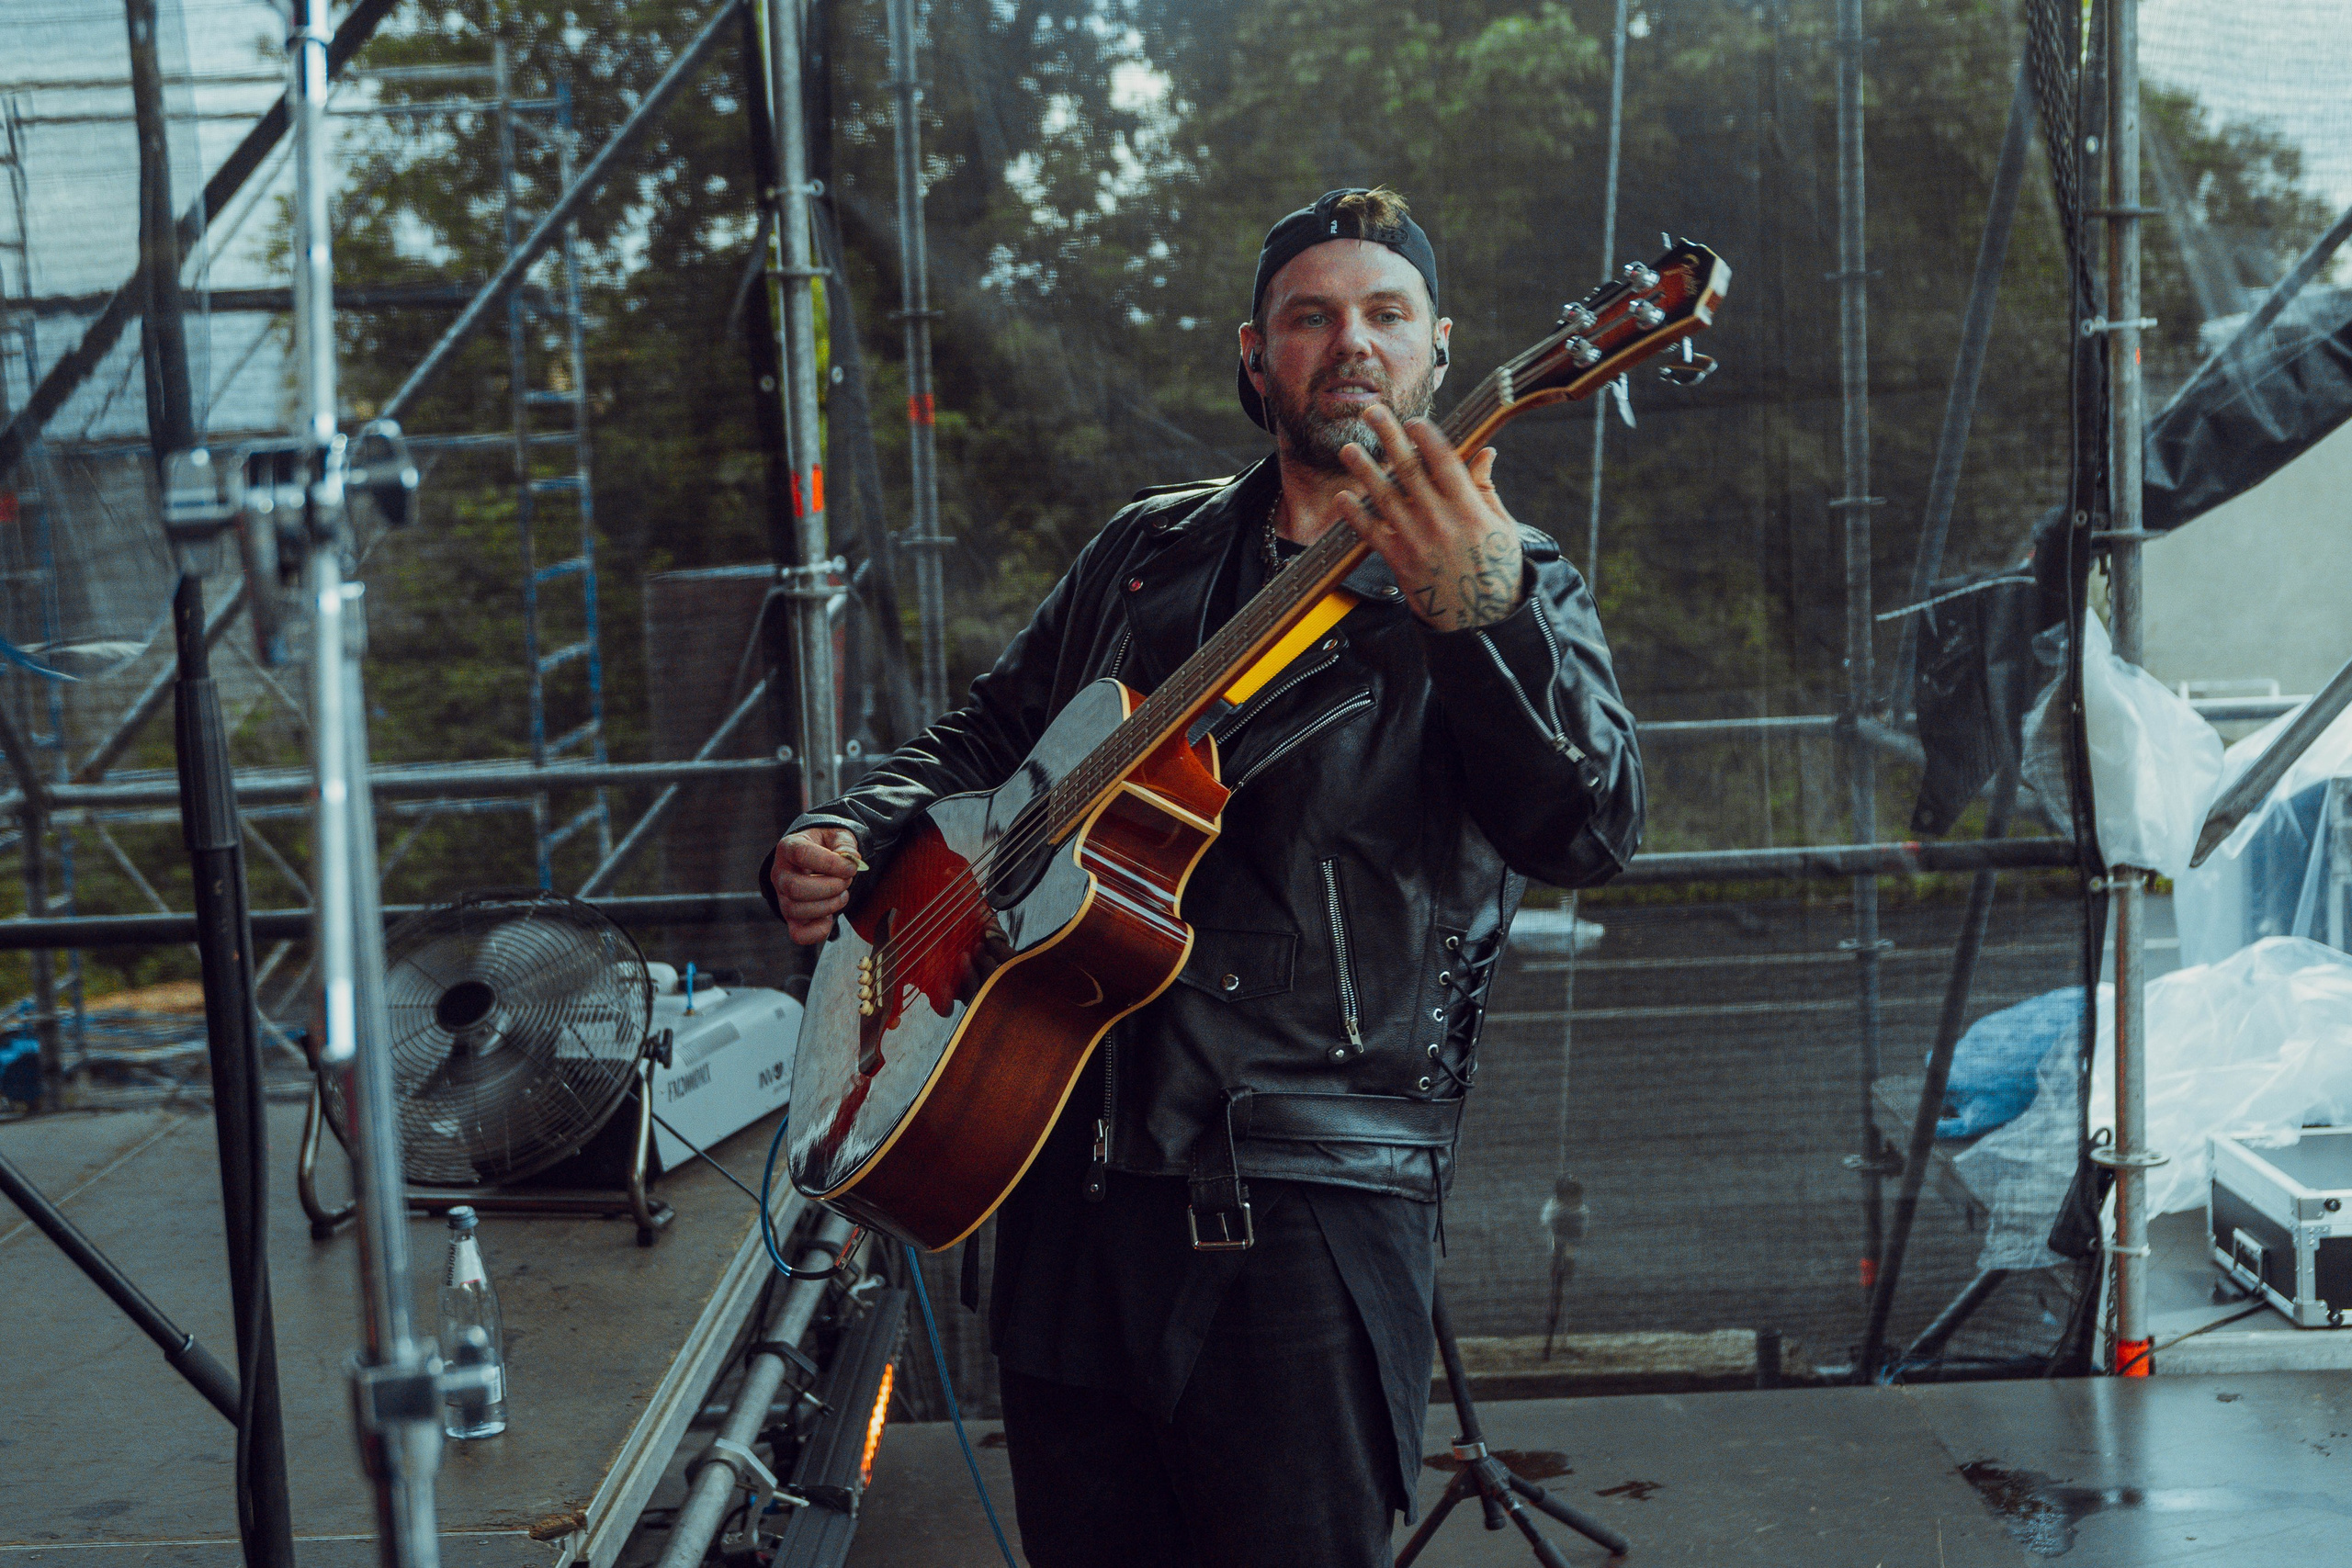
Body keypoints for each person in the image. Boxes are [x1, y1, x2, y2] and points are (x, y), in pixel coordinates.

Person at [759, 186, 1641, 1568]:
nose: (1350, 342)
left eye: (1384, 315)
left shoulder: (1517, 579)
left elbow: (1587, 833)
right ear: (1257, 353)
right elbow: (984, 738)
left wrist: (1483, 621)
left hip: (1303, 1194)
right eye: (1312, 317)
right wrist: (856, 832)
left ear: (1439, 351)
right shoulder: (1143, 553)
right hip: (1060, 1178)